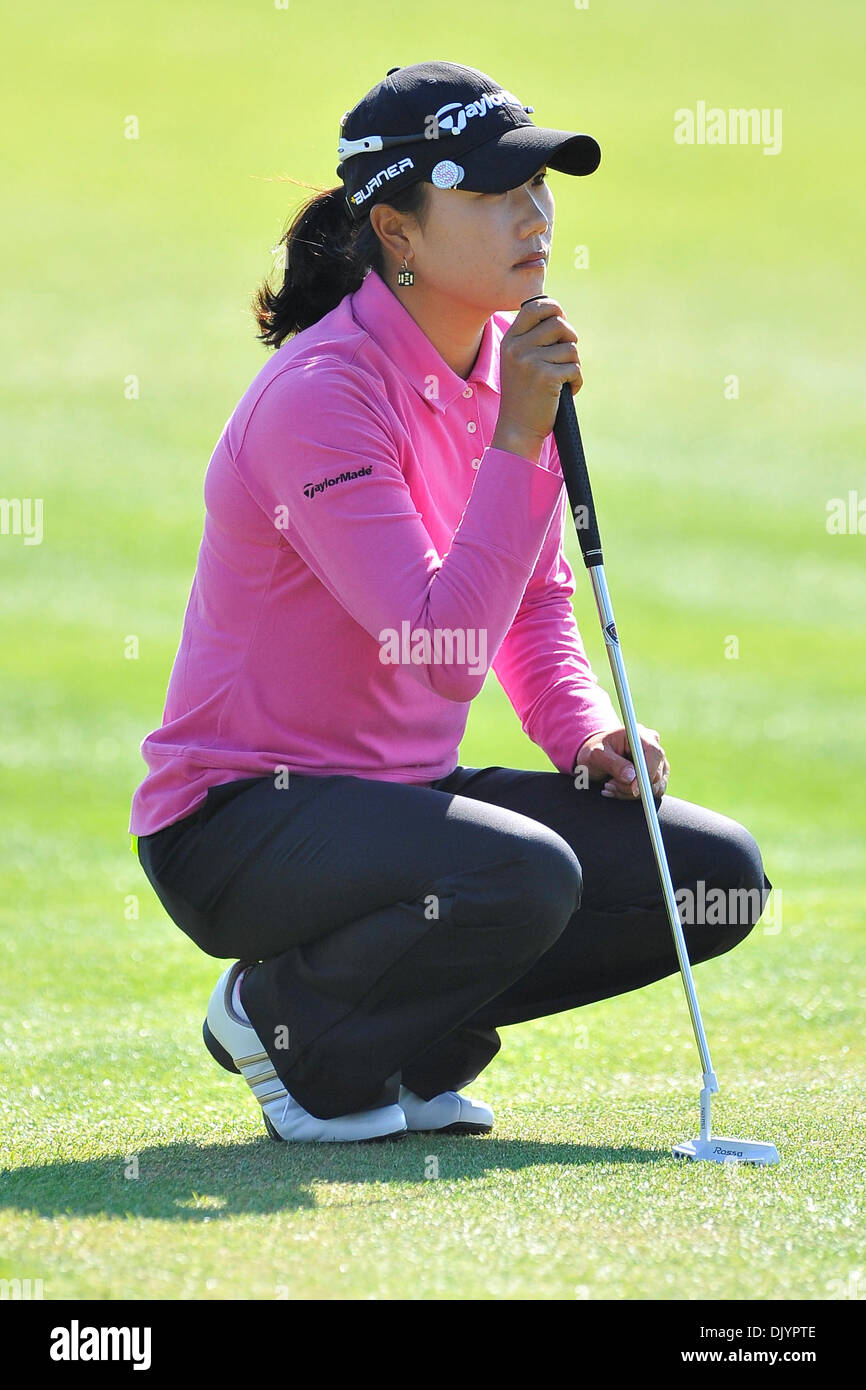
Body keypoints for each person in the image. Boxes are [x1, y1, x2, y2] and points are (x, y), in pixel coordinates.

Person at [130, 60, 772, 1144]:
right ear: (398, 232)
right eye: (490, 193)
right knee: (517, 871)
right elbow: (440, 650)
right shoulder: (321, 396)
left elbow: (530, 615)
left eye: (538, 187)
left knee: (709, 872)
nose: (531, 215)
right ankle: (283, 1024)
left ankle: (404, 1042)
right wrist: (518, 438)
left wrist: (585, 733)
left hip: (399, 805)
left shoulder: (495, 371)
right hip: (238, 824)